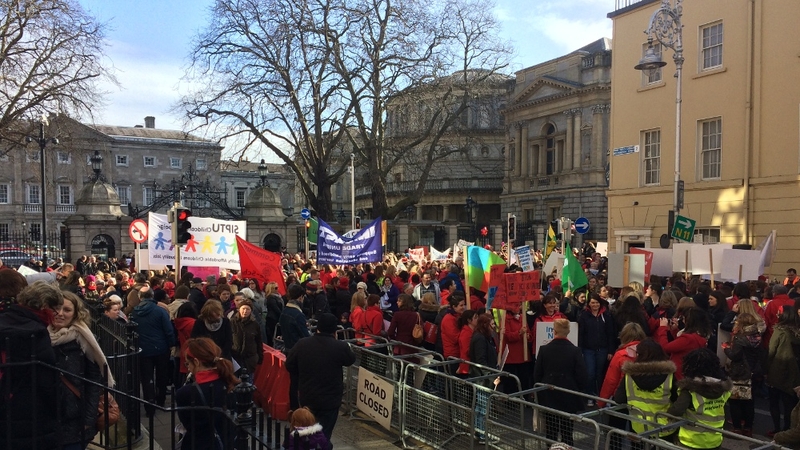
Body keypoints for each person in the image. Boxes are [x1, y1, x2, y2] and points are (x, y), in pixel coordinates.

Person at [0, 279, 61, 449]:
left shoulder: (3, 320)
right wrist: (59, 408)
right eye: (54, 309)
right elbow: (47, 381)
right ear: (44, 306)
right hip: (30, 412)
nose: (56, 314)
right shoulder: (37, 332)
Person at [51, 292, 113, 450]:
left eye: (67, 310)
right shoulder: (40, 336)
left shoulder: (84, 340)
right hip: (47, 420)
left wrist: (88, 420)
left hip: (76, 420)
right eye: (56, 308)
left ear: (75, 314)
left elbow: (94, 383)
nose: (60, 313)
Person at [286, 313, 356, 442]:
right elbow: (350, 359)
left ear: (318, 328)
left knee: (306, 430)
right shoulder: (340, 346)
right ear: (334, 330)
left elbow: (289, 364)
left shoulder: (302, 344)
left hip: (308, 396)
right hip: (330, 399)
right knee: (325, 433)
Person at [176, 338, 239, 450]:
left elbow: (188, 425)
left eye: (187, 363)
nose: (188, 368)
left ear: (196, 362)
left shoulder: (184, 393)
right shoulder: (230, 383)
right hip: (227, 443)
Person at [533, 318, 587, 446]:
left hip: (548, 394)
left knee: (550, 431)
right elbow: (582, 376)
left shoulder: (544, 349)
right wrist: (578, 390)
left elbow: (537, 374)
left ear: (554, 331)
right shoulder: (575, 351)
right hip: (569, 394)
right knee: (567, 431)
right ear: (568, 332)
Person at [613, 339, 678, 445]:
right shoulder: (669, 376)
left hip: (639, 427)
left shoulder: (629, 375)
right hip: (663, 428)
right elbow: (676, 400)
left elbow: (619, 399)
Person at [668, 348, 732, 450]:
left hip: (691, 440)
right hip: (714, 439)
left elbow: (677, 410)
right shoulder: (723, 389)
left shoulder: (690, 390)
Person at [131, 286, 176, 416]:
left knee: (146, 378)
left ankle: (149, 406)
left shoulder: (134, 312)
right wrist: (171, 344)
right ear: (152, 296)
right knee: (161, 375)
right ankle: (160, 400)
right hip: (161, 348)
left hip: (143, 349)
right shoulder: (160, 311)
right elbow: (168, 330)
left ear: (139, 297)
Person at [724, 312, 765, 437]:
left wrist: (726, 348)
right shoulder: (757, 336)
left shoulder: (740, 338)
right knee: (749, 401)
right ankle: (748, 428)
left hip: (740, 372)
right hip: (753, 371)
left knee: (735, 400)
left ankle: (737, 427)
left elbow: (735, 356)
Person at [767, 304, 800, 437]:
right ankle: (788, 429)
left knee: (774, 402)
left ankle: (777, 429)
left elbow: (771, 351)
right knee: (789, 404)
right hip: (794, 372)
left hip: (777, 370)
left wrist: (766, 370)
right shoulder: (797, 332)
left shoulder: (779, 332)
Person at [577, 294, 615, 404]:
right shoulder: (583, 315)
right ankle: (590, 395)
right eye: (592, 302)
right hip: (588, 350)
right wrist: (580, 350)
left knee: (600, 374)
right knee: (590, 374)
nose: (595, 305)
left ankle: (600, 396)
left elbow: (610, 334)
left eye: (597, 302)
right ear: (589, 303)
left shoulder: (606, 315)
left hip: (603, 349)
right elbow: (581, 334)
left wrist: (610, 350)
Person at [655, 307, 710, 380]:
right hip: (687, 372)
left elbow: (665, 347)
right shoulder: (698, 336)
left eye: (684, 319)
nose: (683, 321)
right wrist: (674, 330)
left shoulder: (688, 339)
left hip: (679, 373)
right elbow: (681, 345)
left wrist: (662, 328)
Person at [231, 298, 264, 376]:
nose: (245, 311)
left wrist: (260, 357)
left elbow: (259, 341)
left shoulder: (255, 324)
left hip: (250, 359)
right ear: (239, 309)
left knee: (249, 380)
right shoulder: (232, 322)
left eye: (248, 309)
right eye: (243, 309)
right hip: (236, 358)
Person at [456, 310, 478, 376]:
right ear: (469, 320)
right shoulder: (466, 333)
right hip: (467, 367)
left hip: (470, 365)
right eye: (475, 317)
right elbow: (467, 351)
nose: (478, 319)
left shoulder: (472, 331)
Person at [263, 281, 284, 347]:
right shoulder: (270, 298)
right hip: (272, 319)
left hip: (277, 318)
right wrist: (282, 315)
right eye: (276, 288)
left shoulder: (278, 296)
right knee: (272, 335)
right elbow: (276, 309)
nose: (277, 289)